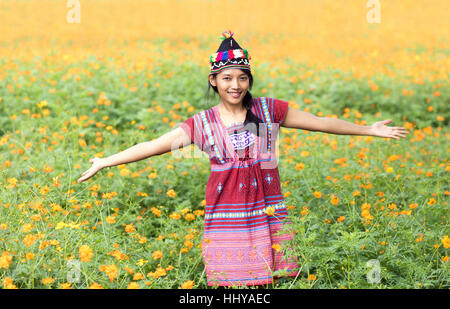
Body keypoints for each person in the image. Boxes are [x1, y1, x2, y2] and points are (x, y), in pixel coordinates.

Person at [77, 30, 409, 287]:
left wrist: (369, 129)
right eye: (227, 78)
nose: (235, 85)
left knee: (269, 282)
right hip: (227, 217)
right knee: (233, 285)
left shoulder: (269, 110)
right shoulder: (202, 123)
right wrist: (106, 160)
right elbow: (152, 144)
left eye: (242, 77)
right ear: (214, 81)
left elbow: (322, 123)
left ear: (249, 79)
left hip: (268, 210)